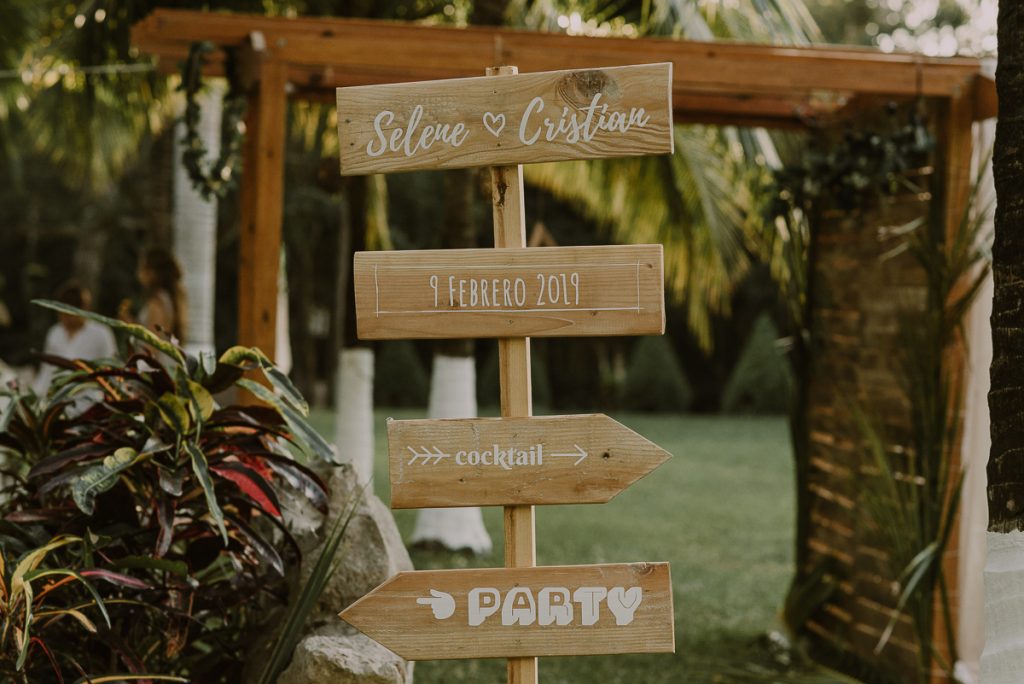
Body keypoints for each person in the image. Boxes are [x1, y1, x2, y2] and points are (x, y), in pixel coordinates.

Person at [33, 282, 117, 396]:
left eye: (69, 314)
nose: (65, 319)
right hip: (57, 400)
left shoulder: (101, 334)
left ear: (82, 309)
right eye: (61, 313)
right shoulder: (54, 333)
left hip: (91, 401)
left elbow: (111, 371)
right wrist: (36, 394)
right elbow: (46, 371)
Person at [119, 247, 187, 343]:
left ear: (152, 273)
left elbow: (153, 344)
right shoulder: (165, 298)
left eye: (142, 267)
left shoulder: (157, 303)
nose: (138, 273)